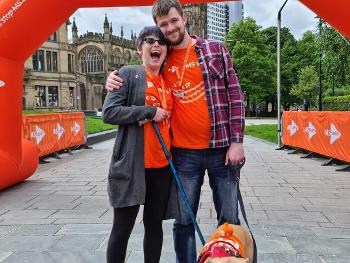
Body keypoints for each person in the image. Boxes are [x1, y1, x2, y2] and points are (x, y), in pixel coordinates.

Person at [105, 1, 245, 262]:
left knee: (229, 218)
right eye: (162, 26)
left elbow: (236, 96)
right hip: (182, 155)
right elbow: (134, 78)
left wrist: (237, 141)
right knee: (183, 221)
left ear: (184, 18)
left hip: (220, 148)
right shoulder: (159, 61)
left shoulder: (214, 50)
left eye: (173, 21)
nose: (168, 29)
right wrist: (114, 76)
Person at [102, 26, 173, 263]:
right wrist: (149, 112)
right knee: (122, 228)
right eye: (149, 41)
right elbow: (109, 112)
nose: (156, 45)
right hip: (132, 166)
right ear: (138, 48)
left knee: (154, 227)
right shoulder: (128, 73)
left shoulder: (168, 81)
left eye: (161, 42)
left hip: (161, 168)